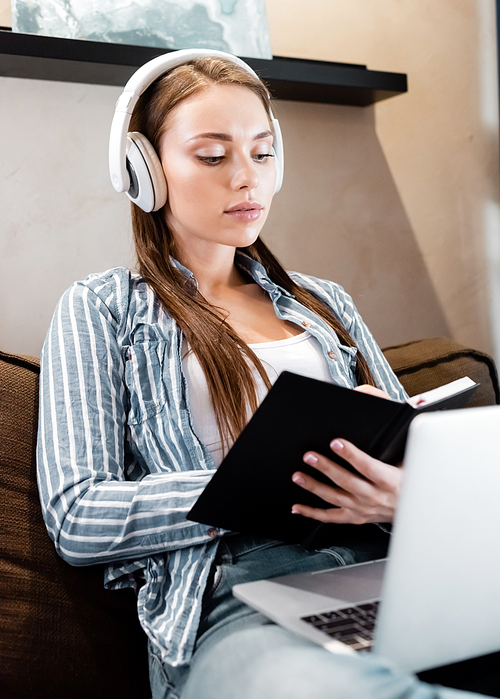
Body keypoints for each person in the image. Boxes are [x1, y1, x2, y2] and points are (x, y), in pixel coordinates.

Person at [36, 51, 486, 699]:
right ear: (144, 171)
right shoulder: (103, 306)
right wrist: (256, 478)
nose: (246, 178)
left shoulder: (324, 301)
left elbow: (411, 457)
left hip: (394, 573)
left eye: (263, 152)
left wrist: (399, 494)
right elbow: (78, 515)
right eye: (213, 156)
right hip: (238, 599)